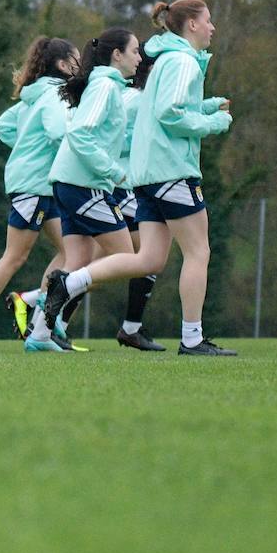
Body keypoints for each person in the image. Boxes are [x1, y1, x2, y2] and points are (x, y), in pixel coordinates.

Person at [39, 0, 236, 357]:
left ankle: (68, 283)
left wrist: (206, 106)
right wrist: (213, 123)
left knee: (148, 261)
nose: (212, 27)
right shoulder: (182, 61)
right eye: (208, 20)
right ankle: (192, 338)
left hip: (147, 178)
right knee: (199, 252)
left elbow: (152, 107)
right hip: (172, 171)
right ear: (191, 25)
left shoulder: (165, 62)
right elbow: (169, 113)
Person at [0, 37, 77, 353]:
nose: (81, 66)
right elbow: (57, 131)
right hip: (33, 185)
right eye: (76, 60)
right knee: (15, 257)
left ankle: (40, 324)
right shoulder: (54, 93)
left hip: (39, 184)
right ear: (63, 65)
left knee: (71, 252)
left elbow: (5, 125)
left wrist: (27, 147)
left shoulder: (35, 95)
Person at [33, 27, 144, 353]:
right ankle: (58, 288)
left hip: (70, 183)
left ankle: (39, 335)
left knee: (79, 259)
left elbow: (103, 136)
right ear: (117, 55)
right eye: (135, 51)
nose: (140, 58)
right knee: (127, 256)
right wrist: (113, 172)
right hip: (82, 185)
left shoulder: (106, 86)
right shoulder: (105, 87)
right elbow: (80, 135)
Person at [113, 48, 165, 351]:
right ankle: (37, 305)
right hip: (122, 187)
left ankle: (131, 328)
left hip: (126, 187)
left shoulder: (135, 98)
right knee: (144, 258)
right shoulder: (137, 100)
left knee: (145, 259)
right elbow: (114, 141)